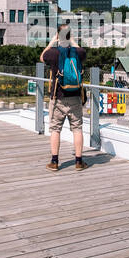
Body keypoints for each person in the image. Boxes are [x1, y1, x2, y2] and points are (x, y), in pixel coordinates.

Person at [40, 24, 88, 171]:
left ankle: (54, 162)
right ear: (70, 36)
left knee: (55, 129)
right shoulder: (78, 53)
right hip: (75, 97)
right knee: (77, 128)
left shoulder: (53, 53)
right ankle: (79, 162)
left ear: (58, 36)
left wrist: (52, 42)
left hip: (58, 97)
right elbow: (81, 51)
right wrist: (72, 41)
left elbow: (42, 58)